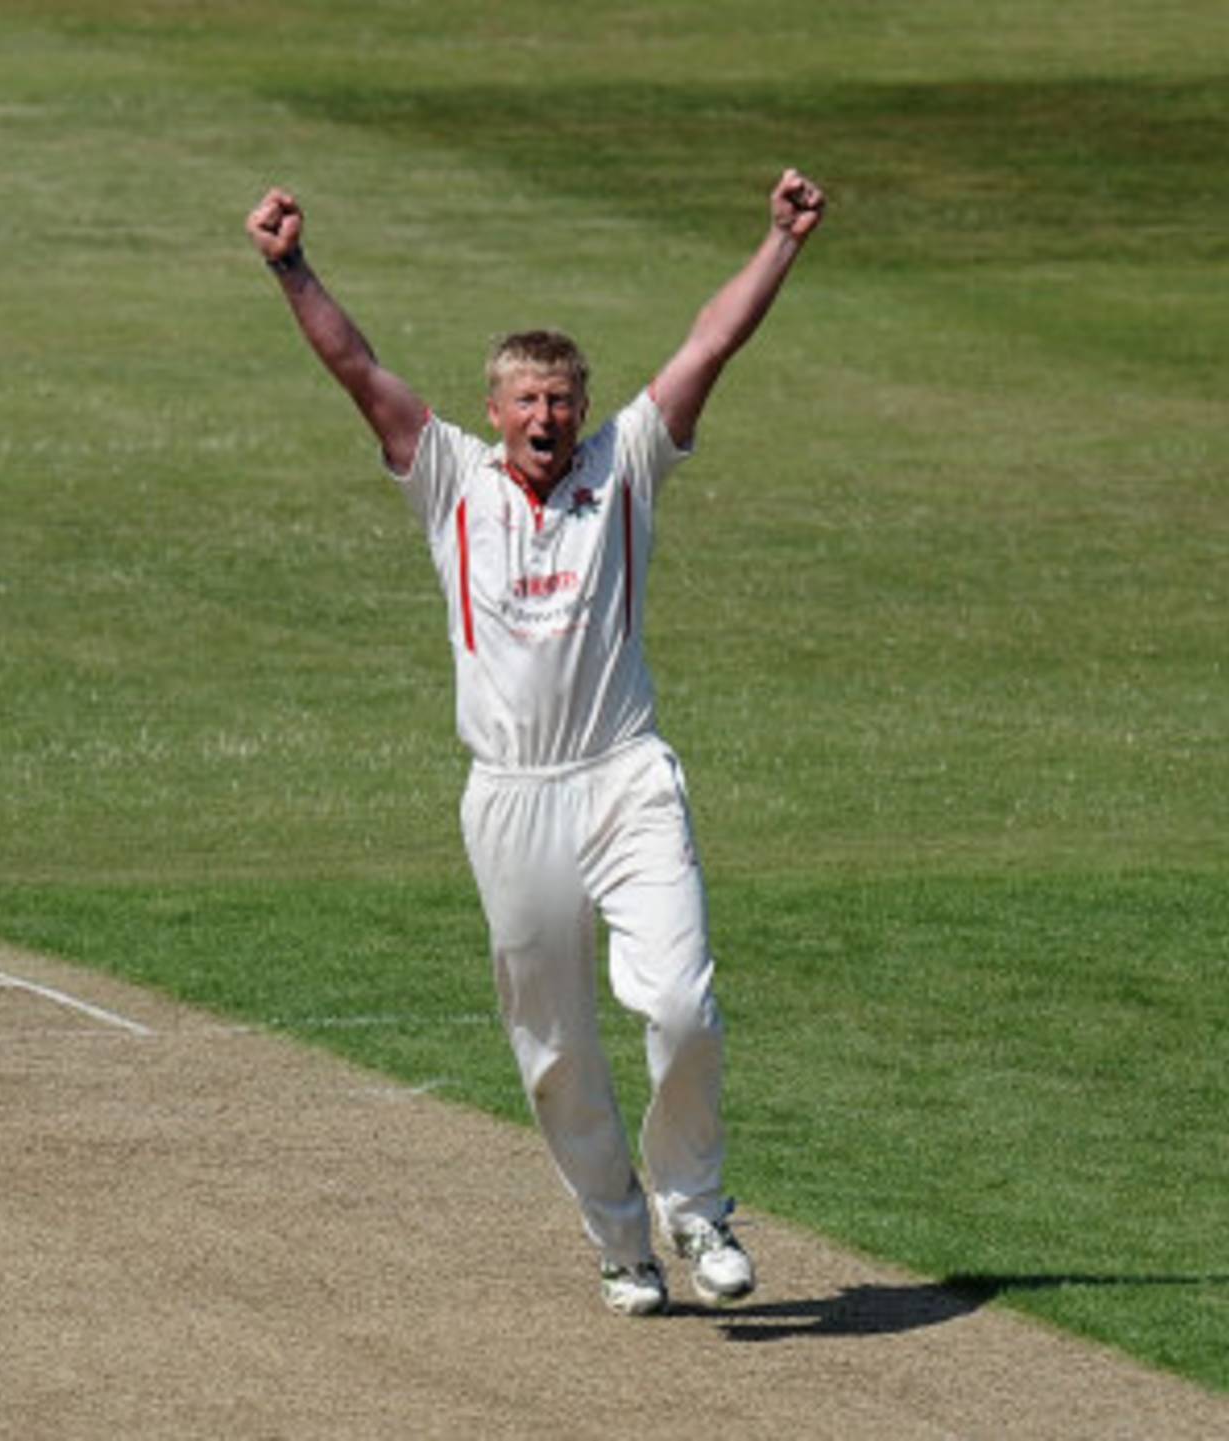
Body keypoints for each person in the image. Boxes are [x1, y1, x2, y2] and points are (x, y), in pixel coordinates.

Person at [245, 169, 826, 1316]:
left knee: (677, 1005)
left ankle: (696, 1207)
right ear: (494, 407)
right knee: (553, 1046)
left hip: (623, 776)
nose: (547, 418)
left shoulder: (626, 470)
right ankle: (620, 1241)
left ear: (582, 404)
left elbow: (709, 347)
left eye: (562, 398)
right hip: (511, 798)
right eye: (525, 400)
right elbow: (357, 369)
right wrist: (289, 266)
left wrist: (778, 241)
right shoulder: (448, 476)